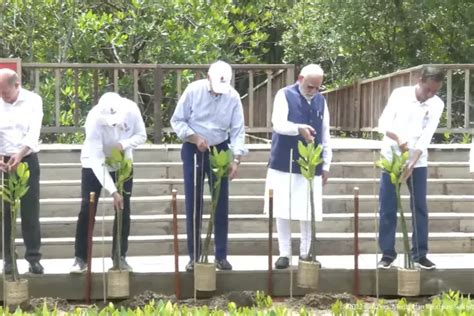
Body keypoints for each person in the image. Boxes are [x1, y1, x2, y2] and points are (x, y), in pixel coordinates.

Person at [170, 60, 247, 272]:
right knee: (193, 203)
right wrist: (194, 138)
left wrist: (236, 158)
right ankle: (194, 256)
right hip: (194, 147)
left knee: (220, 203)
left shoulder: (232, 96)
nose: (219, 92)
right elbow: (177, 121)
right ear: (207, 78)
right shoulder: (193, 91)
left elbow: (238, 130)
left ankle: (221, 255)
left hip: (220, 148)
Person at [264, 64, 332, 269]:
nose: (313, 91)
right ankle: (284, 253)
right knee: (282, 207)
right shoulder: (284, 95)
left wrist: (327, 163)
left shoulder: (321, 100)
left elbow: (326, 133)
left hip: (311, 162)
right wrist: (298, 129)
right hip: (284, 159)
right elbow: (278, 123)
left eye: (317, 87)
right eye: (310, 86)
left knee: (308, 208)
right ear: (300, 78)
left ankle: (306, 251)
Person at [377, 66, 445, 270]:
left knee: (419, 207)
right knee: (388, 207)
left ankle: (420, 254)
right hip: (392, 156)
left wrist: (413, 162)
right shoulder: (400, 95)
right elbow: (382, 124)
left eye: (435, 91)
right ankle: (387, 254)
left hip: (418, 160)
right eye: (427, 90)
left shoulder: (437, 104)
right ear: (420, 79)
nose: (430, 95)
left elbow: (426, 136)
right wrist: (399, 138)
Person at [70, 92, 146, 273]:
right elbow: (97, 160)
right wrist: (112, 191)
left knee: (123, 209)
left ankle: (120, 256)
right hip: (93, 164)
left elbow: (141, 136)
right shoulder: (93, 119)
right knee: (87, 209)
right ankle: (80, 258)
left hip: (122, 163)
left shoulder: (132, 110)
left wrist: (124, 143)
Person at [0, 68, 44, 274]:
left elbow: (33, 131)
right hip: (3, 160)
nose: (3, 97)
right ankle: (8, 258)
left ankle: (33, 257)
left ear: (17, 86)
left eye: (6, 93)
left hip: (26, 158)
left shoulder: (33, 101)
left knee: (30, 210)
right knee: (5, 212)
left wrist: (20, 153)